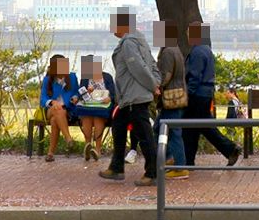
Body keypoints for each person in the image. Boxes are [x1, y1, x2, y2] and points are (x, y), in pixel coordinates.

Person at [99, 10, 160, 186]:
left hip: (135, 96)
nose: (112, 29)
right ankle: (116, 167)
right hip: (128, 98)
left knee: (144, 135)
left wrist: (152, 85)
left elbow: (139, 68)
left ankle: (152, 173)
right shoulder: (141, 41)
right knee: (118, 126)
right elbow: (152, 64)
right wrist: (156, 82)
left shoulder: (128, 43)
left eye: (114, 25)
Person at [181, 21, 241, 168]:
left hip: (197, 95)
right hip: (205, 93)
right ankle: (189, 160)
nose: (187, 36)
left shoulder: (197, 52)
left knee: (195, 127)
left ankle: (230, 148)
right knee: (197, 127)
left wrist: (187, 94)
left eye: (188, 33)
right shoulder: (206, 50)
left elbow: (195, 76)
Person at [154, 22, 190, 177]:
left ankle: (180, 167)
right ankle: (169, 157)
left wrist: (157, 86)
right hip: (177, 97)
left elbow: (166, 75)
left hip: (171, 99)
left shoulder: (168, 52)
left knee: (173, 132)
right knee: (159, 128)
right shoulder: (176, 49)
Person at [68, 55, 117, 161]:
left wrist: (109, 98)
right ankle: (88, 146)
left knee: (98, 117)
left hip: (103, 106)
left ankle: (97, 150)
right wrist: (86, 92)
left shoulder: (107, 77)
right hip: (88, 105)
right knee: (86, 117)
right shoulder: (85, 78)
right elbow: (81, 94)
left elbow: (113, 94)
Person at [37, 54, 78, 161]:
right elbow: (42, 99)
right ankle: (68, 138)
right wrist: (52, 102)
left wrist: (75, 97)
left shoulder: (72, 77)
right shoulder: (47, 80)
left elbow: (76, 92)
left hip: (67, 110)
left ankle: (50, 153)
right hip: (50, 110)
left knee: (55, 120)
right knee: (57, 109)